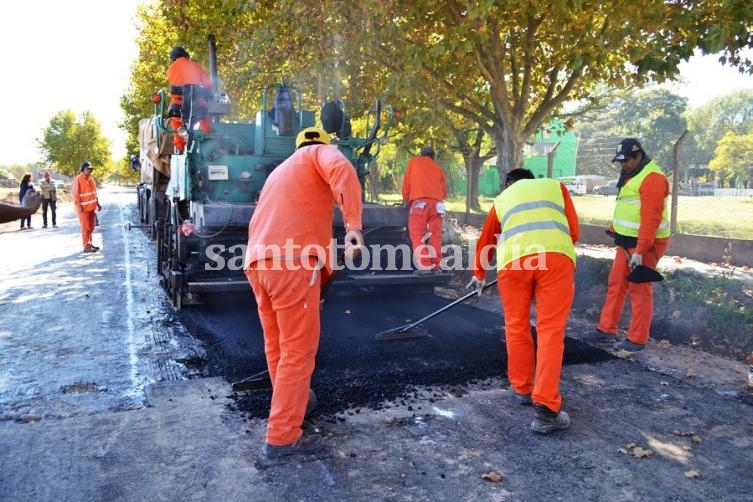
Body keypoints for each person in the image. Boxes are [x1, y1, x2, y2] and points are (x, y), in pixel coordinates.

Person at [243, 127, 365, 460]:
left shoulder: (280, 174)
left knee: (278, 344)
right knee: (299, 350)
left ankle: (293, 401)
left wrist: (319, 283)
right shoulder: (316, 154)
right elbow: (342, 168)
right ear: (321, 144)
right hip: (291, 262)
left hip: (259, 265)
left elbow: (300, 224)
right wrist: (353, 225)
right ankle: (282, 437)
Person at [469, 168, 579, 434]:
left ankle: (521, 388)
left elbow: (487, 239)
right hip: (554, 259)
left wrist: (479, 274)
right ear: (532, 179)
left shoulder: (503, 198)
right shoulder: (555, 187)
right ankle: (546, 410)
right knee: (550, 331)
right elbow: (573, 232)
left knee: (516, 325)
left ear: (509, 183)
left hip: (514, 264)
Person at [582, 138, 670, 352]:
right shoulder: (634, 173)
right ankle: (606, 328)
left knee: (639, 289)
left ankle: (637, 339)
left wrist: (641, 251)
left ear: (638, 155)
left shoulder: (653, 178)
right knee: (616, 284)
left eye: (626, 160)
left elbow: (651, 219)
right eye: (620, 161)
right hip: (626, 241)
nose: (623, 164)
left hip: (645, 244)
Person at [401, 146, 447, 273]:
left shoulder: (414, 162)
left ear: (422, 154)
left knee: (417, 235)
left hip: (419, 203)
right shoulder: (439, 169)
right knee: (435, 236)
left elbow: (407, 184)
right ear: (433, 157)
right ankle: (437, 266)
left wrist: (406, 199)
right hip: (437, 205)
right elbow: (444, 192)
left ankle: (425, 265)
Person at [166, 46, 212, 153]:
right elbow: (208, 84)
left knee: (176, 123)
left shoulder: (171, 69)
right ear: (186, 55)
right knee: (206, 121)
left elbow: (173, 85)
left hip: (178, 106)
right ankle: (205, 144)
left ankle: (180, 148)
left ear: (173, 58)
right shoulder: (195, 66)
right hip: (197, 105)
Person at [72, 161, 102, 253]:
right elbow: (75, 193)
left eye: (90, 169)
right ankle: (86, 246)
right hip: (83, 209)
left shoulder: (91, 179)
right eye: (87, 169)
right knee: (85, 227)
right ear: (83, 169)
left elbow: (94, 193)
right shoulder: (78, 179)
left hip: (91, 207)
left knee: (91, 227)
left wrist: (98, 204)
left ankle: (89, 243)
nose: (89, 170)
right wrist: (79, 205)